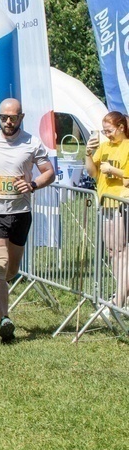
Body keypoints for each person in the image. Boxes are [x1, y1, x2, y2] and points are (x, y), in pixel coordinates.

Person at [0, 98, 55, 341]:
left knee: (12, 269)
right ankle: (4, 318)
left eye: (13, 117)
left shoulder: (31, 143)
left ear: (21, 117)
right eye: (4, 117)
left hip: (20, 212)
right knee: (0, 264)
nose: (8, 121)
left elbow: (49, 172)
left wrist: (33, 184)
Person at [84, 111, 129, 309]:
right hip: (105, 202)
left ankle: (119, 299)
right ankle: (122, 293)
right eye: (104, 131)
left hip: (121, 203)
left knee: (121, 252)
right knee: (112, 252)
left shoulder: (127, 147)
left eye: (109, 131)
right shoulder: (104, 147)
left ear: (121, 127)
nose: (107, 135)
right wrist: (87, 154)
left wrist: (113, 171)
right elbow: (93, 172)